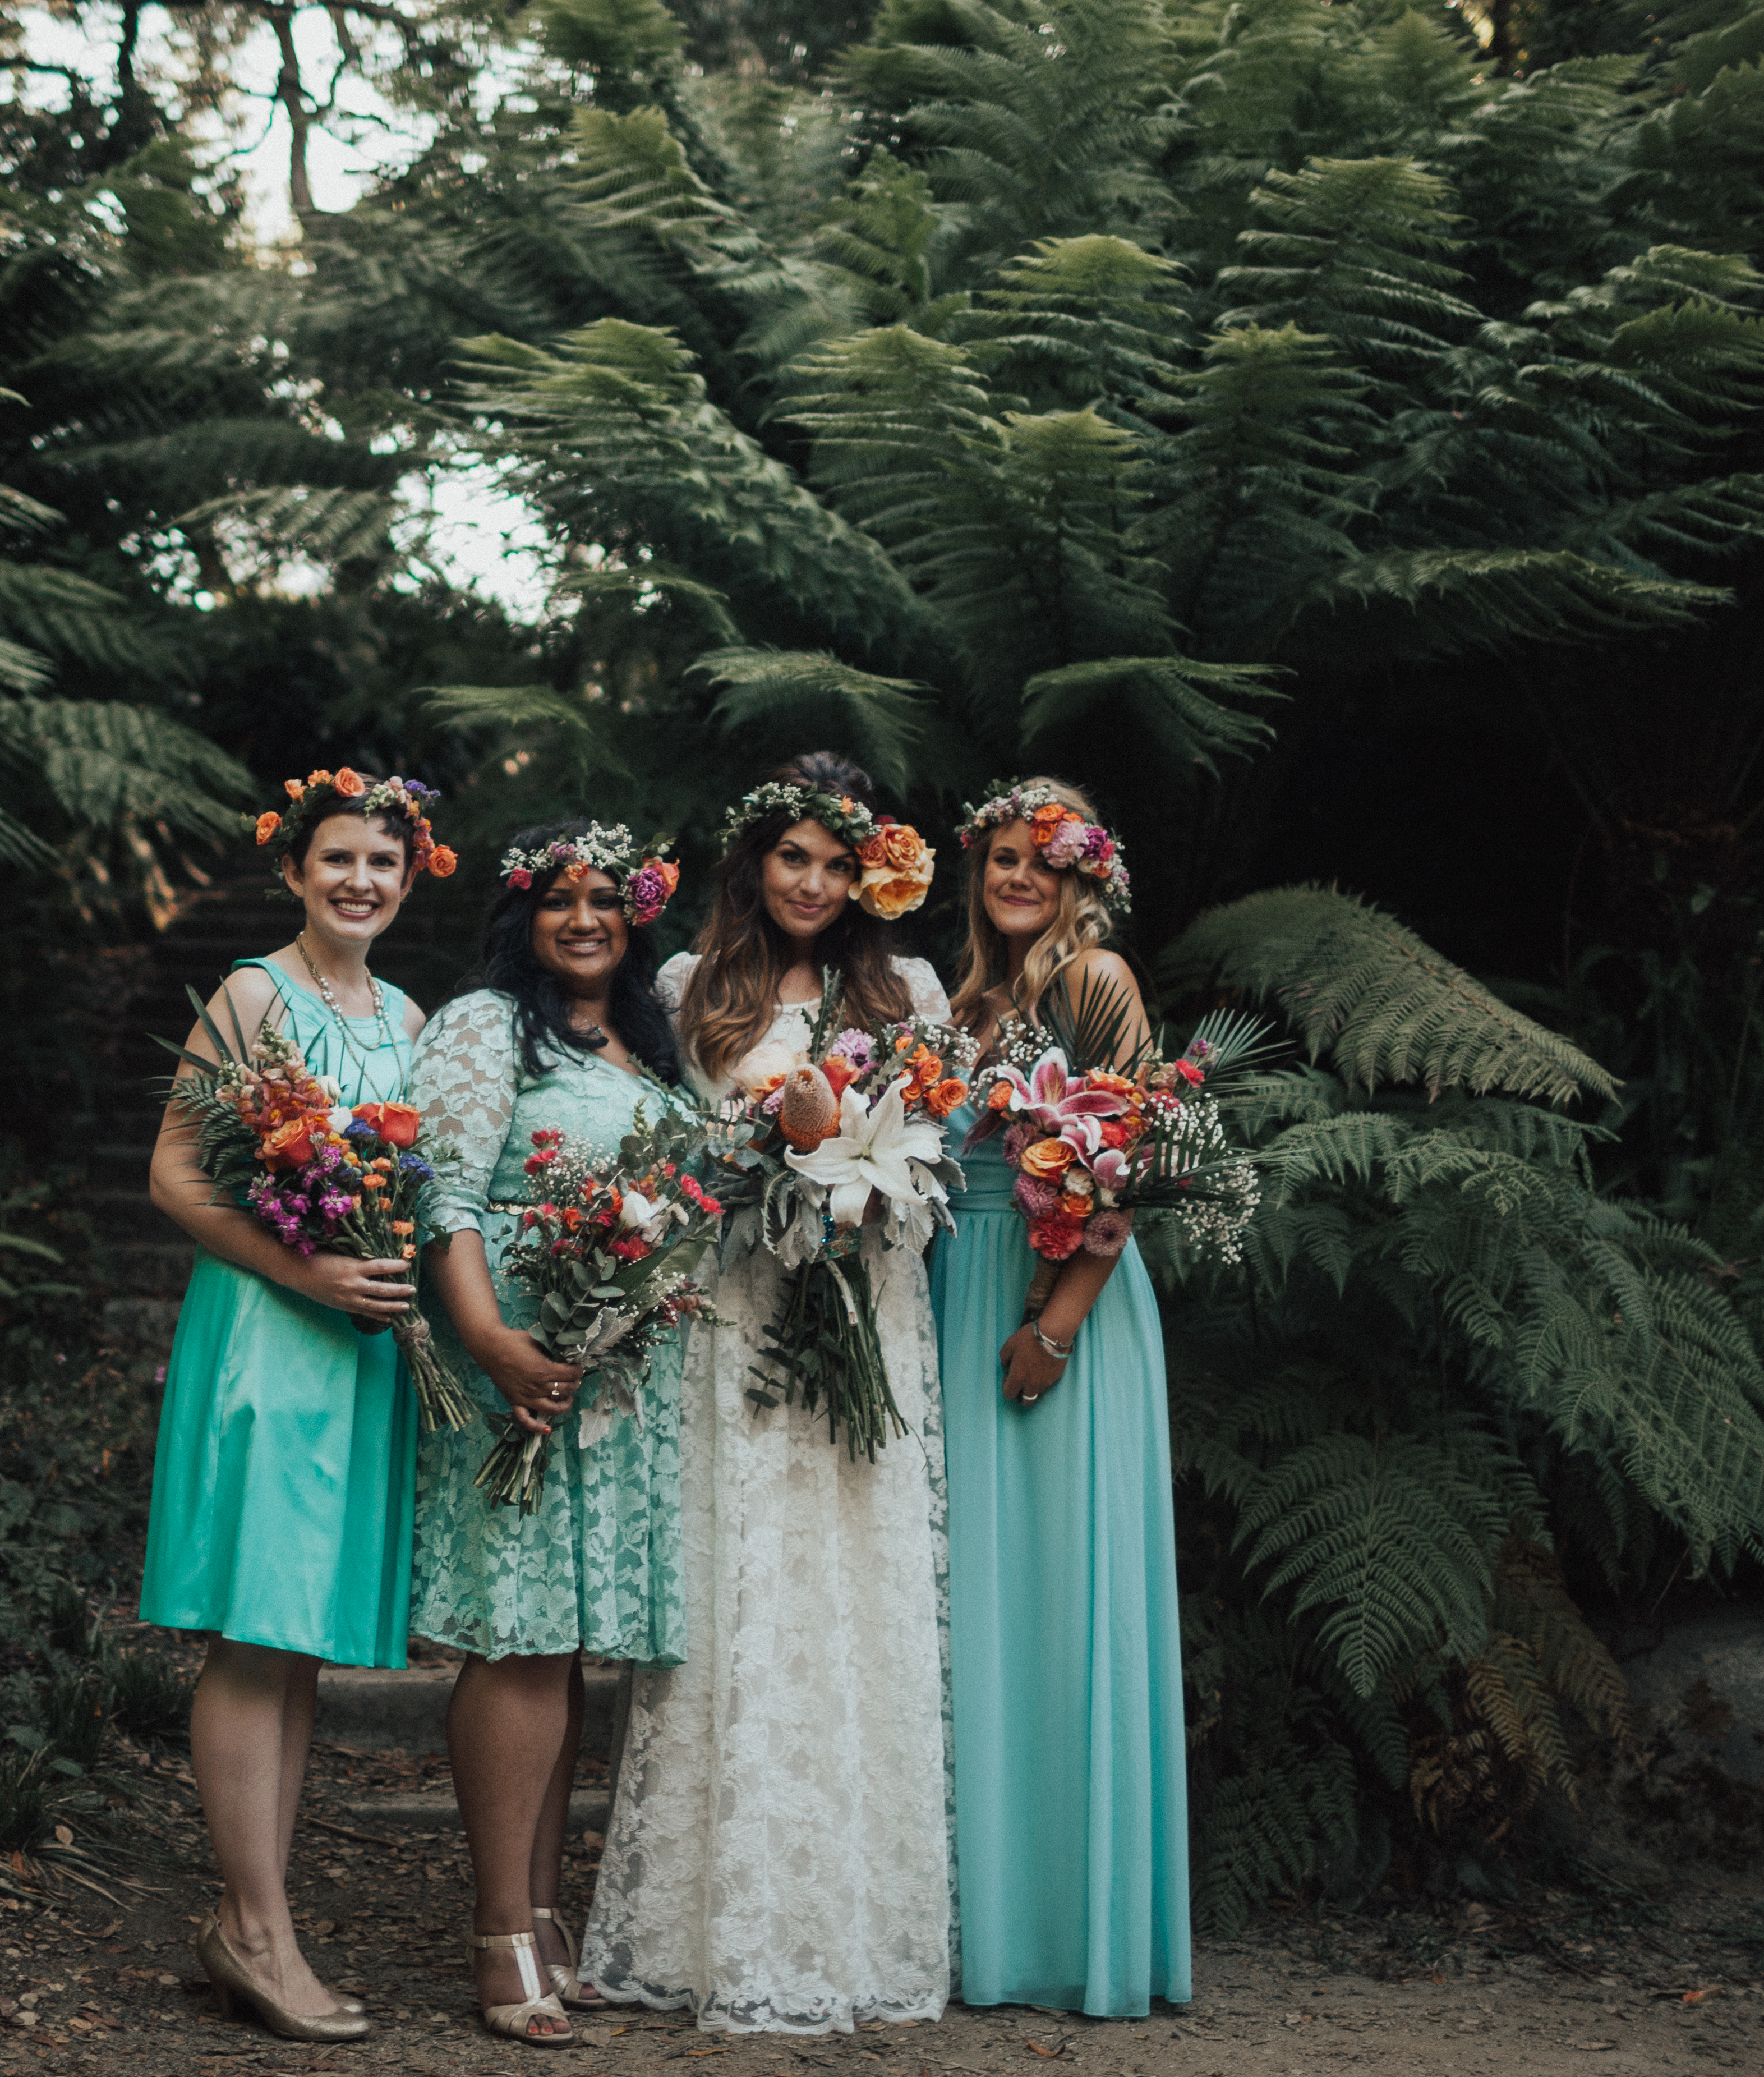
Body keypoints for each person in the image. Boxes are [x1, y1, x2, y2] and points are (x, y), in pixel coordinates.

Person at [583, 751, 957, 2034]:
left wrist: (842, 1172)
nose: (812, 880)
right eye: (792, 856)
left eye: (836, 861)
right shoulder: (692, 986)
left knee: (854, 1591)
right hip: (738, 1321)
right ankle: (715, 1925)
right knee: (740, 1592)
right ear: (756, 861)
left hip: (863, 1313)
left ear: (871, 874)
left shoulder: (906, 989)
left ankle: (853, 1924)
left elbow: (927, 1172)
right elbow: (680, 1161)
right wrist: (767, 1157)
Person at [139, 770, 453, 2043]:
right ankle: (259, 1933)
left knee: (299, 1640)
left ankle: (248, 1919)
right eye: (337, 860)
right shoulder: (254, 993)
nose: (360, 882)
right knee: (252, 1629)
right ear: (294, 870)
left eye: (383, 861)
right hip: (273, 1335)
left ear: (410, 873)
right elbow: (169, 1171)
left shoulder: (412, 1015)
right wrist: (308, 1270)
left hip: (366, 1351)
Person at [408, 821, 697, 2047]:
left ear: (637, 917)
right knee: (519, 1635)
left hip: (620, 1373)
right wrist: (490, 1343)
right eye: (558, 900)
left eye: (605, 900)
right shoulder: (484, 1025)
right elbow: (447, 1194)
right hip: (520, 1356)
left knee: (567, 1645)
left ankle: (539, 1907)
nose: (584, 919)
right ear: (523, 915)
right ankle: (496, 1934)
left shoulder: (652, 1043)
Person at [933, 777, 1190, 2018]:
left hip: (1057, 1305)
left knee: (1061, 1599)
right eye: (1000, 861)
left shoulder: (1099, 983)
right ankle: (988, 1915)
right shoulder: (972, 997)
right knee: (983, 1606)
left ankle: (1072, 1929)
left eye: (1044, 861)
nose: (1019, 878)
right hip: (960, 1287)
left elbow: (1120, 1167)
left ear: (1085, 875)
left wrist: (1057, 1327)